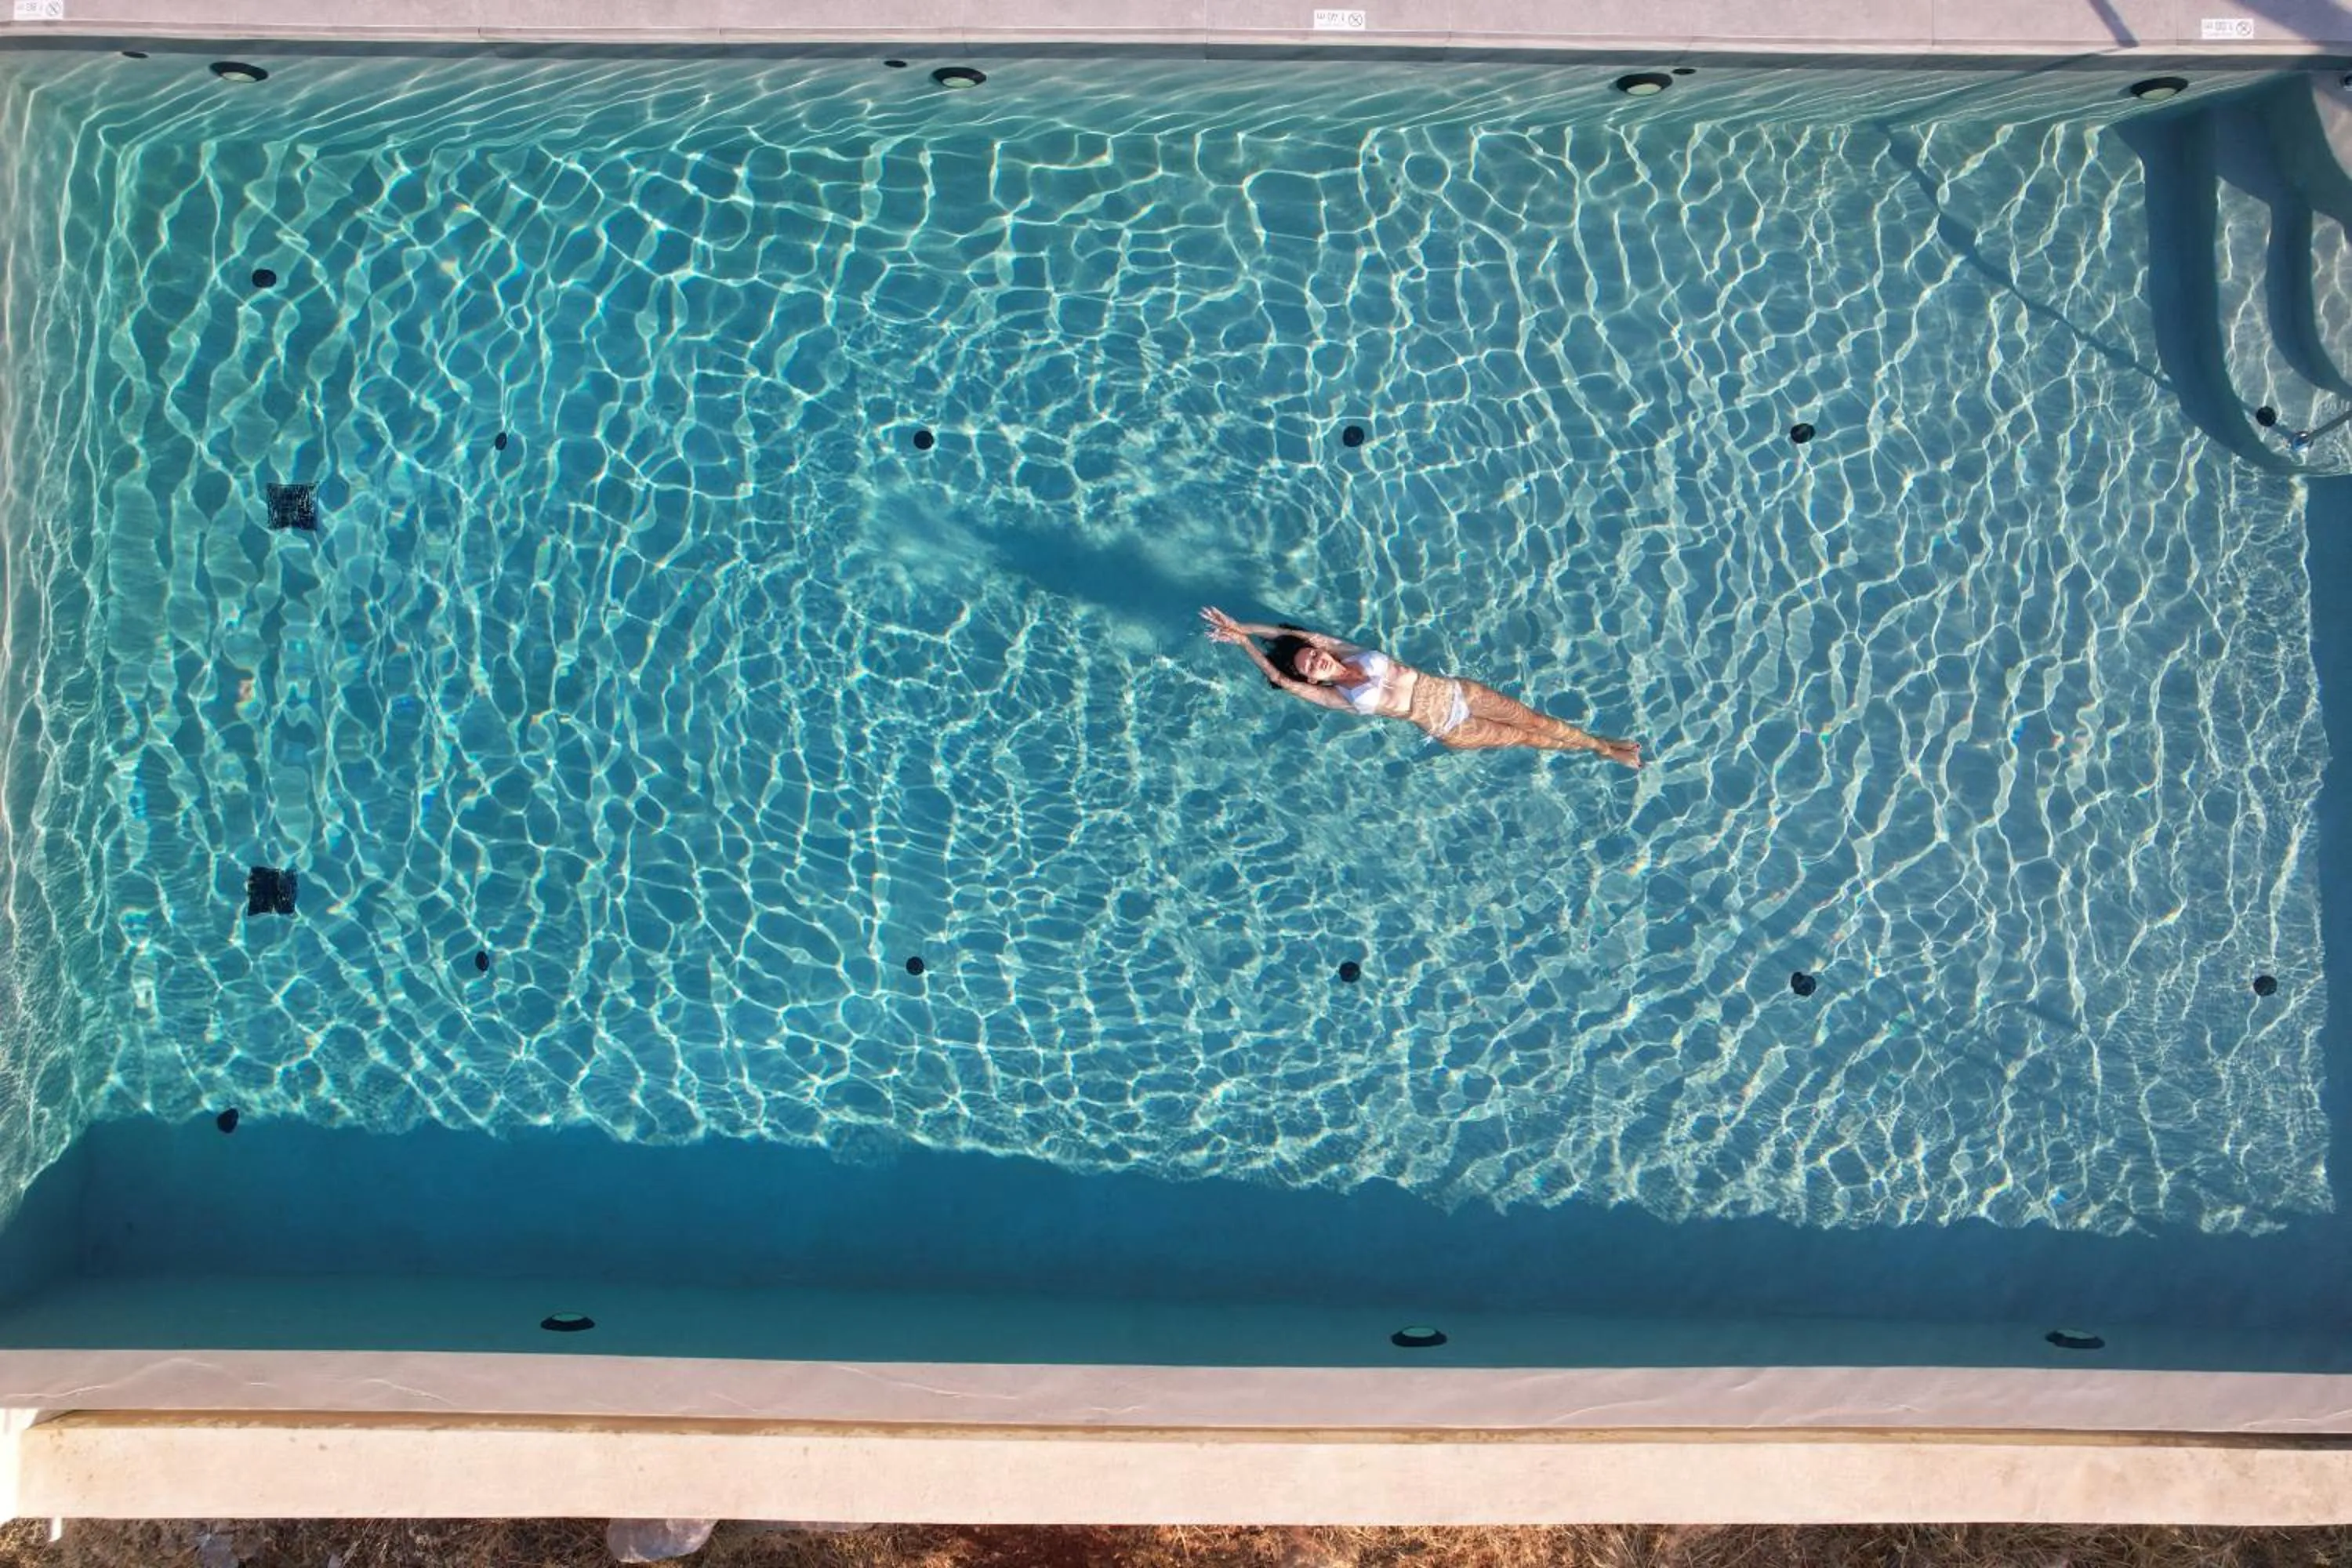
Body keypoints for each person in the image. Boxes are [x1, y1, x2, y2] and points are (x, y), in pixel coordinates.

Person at [1200, 608, 1641, 767]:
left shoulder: (1345, 650)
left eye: (1311, 653)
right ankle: (1602, 751)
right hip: (1450, 727)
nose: (1314, 658)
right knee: (1525, 738)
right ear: (1311, 679)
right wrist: (1243, 646)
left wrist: (1243, 626)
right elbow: (1279, 677)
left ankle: (1603, 746)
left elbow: (1286, 635)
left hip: (1460, 694)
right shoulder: (1338, 697)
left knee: (1537, 720)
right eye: (1309, 666)